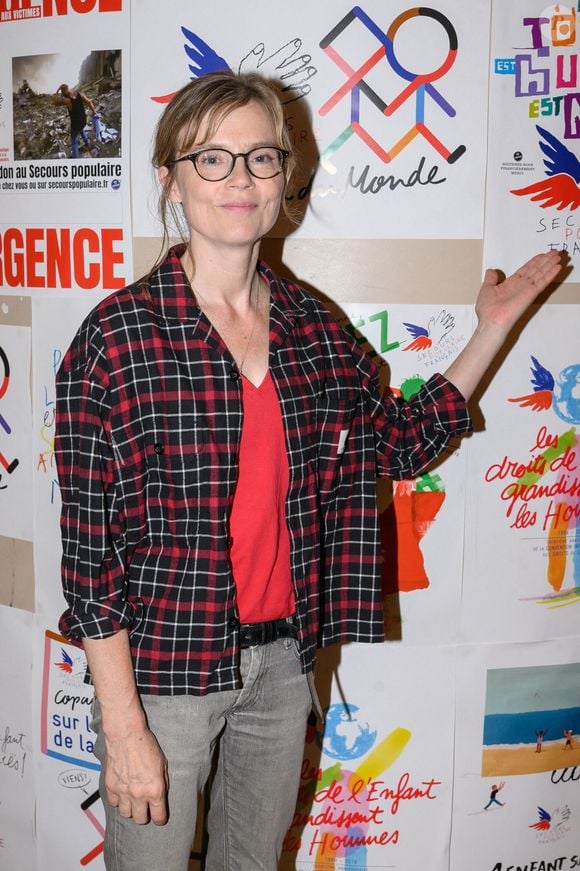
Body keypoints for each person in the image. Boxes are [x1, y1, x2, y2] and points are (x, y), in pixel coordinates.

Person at [55, 71, 563, 871]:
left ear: (284, 176)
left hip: (286, 666)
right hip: (163, 675)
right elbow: (90, 566)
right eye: (212, 159)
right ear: (170, 177)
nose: (240, 179)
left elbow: (399, 441)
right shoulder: (116, 339)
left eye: (260, 158)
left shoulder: (311, 327)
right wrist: (123, 728)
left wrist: (488, 332)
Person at [53, 83, 96, 158]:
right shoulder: (79, 94)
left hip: (76, 124)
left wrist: (57, 91)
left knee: (74, 142)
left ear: (64, 91)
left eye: (62, 93)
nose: (62, 94)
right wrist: (95, 112)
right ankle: (87, 143)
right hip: (83, 120)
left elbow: (55, 102)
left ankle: (75, 159)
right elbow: (89, 102)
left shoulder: (67, 100)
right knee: (81, 129)